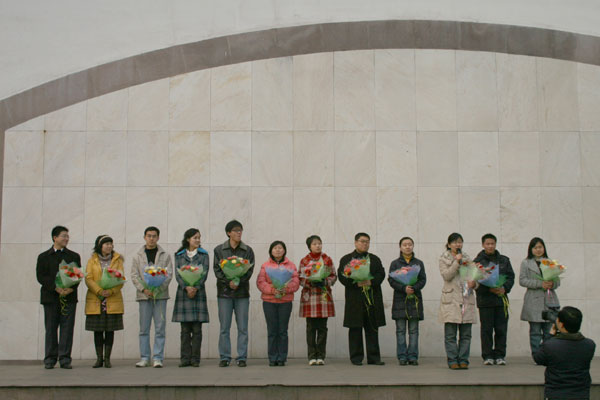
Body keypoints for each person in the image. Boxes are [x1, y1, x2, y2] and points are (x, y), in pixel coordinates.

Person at [36, 226, 81, 369]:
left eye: (67, 236)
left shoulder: (73, 256)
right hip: (50, 298)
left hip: (69, 297)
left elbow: (78, 276)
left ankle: (65, 358)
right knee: (50, 328)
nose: (66, 238)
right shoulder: (44, 256)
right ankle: (50, 359)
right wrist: (55, 287)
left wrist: (70, 288)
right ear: (55, 238)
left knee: (67, 329)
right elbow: (41, 276)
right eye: (63, 236)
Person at [338, 232, 386, 366]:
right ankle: (356, 357)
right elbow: (342, 276)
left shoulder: (374, 259)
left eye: (367, 242)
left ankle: (374, 358)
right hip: (355, 298)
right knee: (355, 329)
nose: (365, 244)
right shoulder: (347, 259)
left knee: (372, 328)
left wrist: (371, 282)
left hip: (372, 298)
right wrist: (356, 283)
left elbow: (381, 274)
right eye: (362, 241)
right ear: (355, 242)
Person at [213, 220, 255, 367]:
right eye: (236, 230)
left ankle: (241, 357)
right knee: (224, 327)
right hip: (224, 294)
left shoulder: (247, 250)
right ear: (228, 233)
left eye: (240, 230)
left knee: (242, 327)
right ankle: (225, 357)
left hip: (242, 293)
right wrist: (228, 282)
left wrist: (238, 282)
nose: (239, 233)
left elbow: (249, 270)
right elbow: (217, 270)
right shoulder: (219, 250)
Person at [130, 226, 173, 368]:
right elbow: (134, 275)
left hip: (160, 296)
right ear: (144, 237)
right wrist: (144, 289)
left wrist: (158, 289)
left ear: (158, 237)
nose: (151, 238)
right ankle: (144, 357)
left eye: (154, 236)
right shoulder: (137, 256)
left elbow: (168, 275)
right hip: (144, 296)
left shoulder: (165, 255)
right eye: (149, 236)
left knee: (160, 327)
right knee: (144, 328)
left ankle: (158, 357)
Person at [533, 306, 595, 400]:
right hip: (581, 394)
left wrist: (550, 335)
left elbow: (538, 358)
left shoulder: (551, 345)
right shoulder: (589, 345)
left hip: (556, 394)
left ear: (561, 325)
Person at [473, 233, 515, 366]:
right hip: (485, 301)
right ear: (483, 245)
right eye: (487, 244)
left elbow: (510, 277)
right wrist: (488, 289)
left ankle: (500, 355)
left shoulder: (504, 260)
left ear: (495, 244)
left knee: (501, 329)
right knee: (486, 330)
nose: (490, 246)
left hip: (501, 299)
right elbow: (474, 282)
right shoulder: (477, 262)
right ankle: (487, 356)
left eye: (492, 243)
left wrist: (504, 288)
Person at [84, 235, 125, 368]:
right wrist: (99, 291)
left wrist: (111, 291)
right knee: (97, 330)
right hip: (96, 300)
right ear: (100, 246)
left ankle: (107, 359)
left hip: (112, 299)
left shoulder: (117, 260)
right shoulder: (92, 260)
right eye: (106, 244)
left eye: (111, 244)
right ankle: (99, 358)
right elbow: (88, 278)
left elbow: (121, 279)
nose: (109, 246)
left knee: (109, 330)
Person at [256, 241, 299, 366]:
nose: (278, 250)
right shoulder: (265, 265)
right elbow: (260, 282)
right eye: (275, 248)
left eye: (280, 248)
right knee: (272, 330)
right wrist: (273, 290)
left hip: (285, 301)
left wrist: (285, 288)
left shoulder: (291, 265)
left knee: (283, 331)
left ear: (284, 250)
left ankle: (282, 358)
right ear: (271, 250)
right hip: (269, 302)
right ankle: (272, 357)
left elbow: (296, 281)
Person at [439, 232, 477, 370]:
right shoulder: (443, 258)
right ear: (449, 244)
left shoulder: (468, 259)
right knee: (450, 334)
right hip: (451, 300)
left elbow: (475, 276)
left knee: (466, 334)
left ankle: (464, 360)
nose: (458, 244)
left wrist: (475, 284)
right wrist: (456, 262)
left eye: (460, 242)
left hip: (466, 298)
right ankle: (452, 360)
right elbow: (447, 276)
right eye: (455, 242)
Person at [172, 228, 209, 367]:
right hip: (184, 294)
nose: (198, 240)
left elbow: (204, 273)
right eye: (195, 238)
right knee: (185, 330)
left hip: (198, 293)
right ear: (188, 239)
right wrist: (186, 287)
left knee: (197, 330)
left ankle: (195, 359)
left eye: (199, 237)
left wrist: (195, 287)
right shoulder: (179, 255)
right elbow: (178, 274)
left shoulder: (204, 255)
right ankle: (185, 358)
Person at [519, 237, 561, 361]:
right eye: (535, 247)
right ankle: (537, 356)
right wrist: (539, 284)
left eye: (540, 247)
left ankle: (548, 355)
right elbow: (522, 280)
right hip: (533, 300)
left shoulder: (550, 262)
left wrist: (552, 284)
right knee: (535, 331)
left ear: (544, 248)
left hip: (549, 300)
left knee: (549, 331)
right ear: (531, 249)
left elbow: (558, 281)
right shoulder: (526, 263)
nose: (538, 250)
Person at [298, 235, 337, 366]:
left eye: (319, 243)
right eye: (314, 244)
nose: (318, 246)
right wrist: (309, 282)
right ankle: (311, 356)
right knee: (310, 327)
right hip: (310, 297)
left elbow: (333, 275)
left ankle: (320, 356)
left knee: (322, 328)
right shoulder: (304, 260)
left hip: (323, 296)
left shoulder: (327, 259)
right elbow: (299, 277)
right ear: (309, 246)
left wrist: (325, 281)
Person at [388, 236, 426, 366]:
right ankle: (402, 356)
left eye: (410, 244)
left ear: (413, 246)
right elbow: (391, 280)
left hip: (414, 299)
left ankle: (413, 356)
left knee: (414, 330)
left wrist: (414, 288)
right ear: (400, 247)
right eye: (405, 245)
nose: (407, 247)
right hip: (400, 299)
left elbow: (423, 279)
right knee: (400, 330)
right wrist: (403, 288)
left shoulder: (419, 263)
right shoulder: (395, 263)